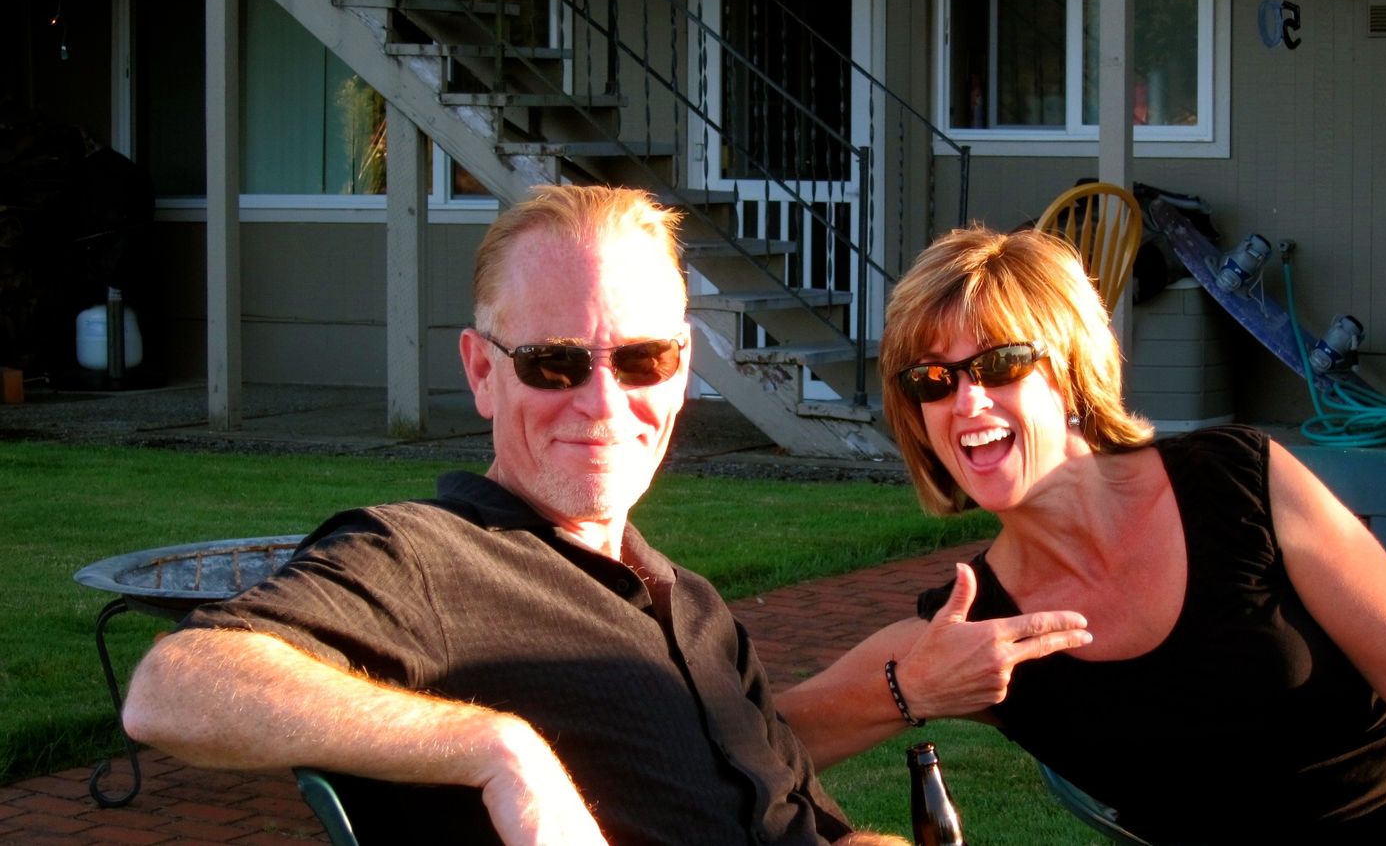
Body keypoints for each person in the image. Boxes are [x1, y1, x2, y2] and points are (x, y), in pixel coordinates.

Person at [122, 185, 903, 845]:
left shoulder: (696, 609)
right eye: (553, 362)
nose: (602, 404)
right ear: (480, 372)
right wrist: (499, 749)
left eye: (643, 360)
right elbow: (175, 685)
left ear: (682, 368)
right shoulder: (423, 557)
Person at [775, 224, 1386, 845]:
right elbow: (754, 743)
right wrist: (909, 689)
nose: (967, 401)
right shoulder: (968, 633)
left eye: (998, 364)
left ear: (1068, 371)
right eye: (932, 379)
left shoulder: (1236, 479)